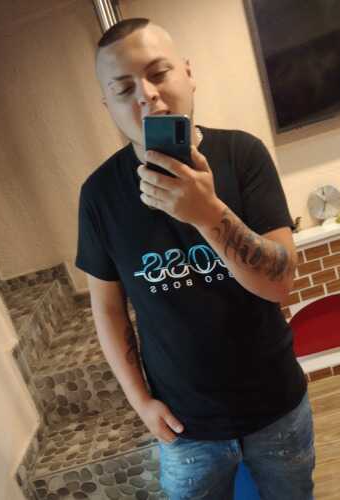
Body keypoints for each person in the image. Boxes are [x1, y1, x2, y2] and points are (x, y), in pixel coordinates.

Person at [75, 17, 316, 499]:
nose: (147, 95)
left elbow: (279, 283)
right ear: (109, 106)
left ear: (187, 73)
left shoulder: (243, 155)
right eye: (123, 89)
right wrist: (140, 403)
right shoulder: (99, 195)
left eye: (158, 73)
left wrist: (207, 214)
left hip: (276, 410)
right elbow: (107, 310)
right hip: (184, 428)